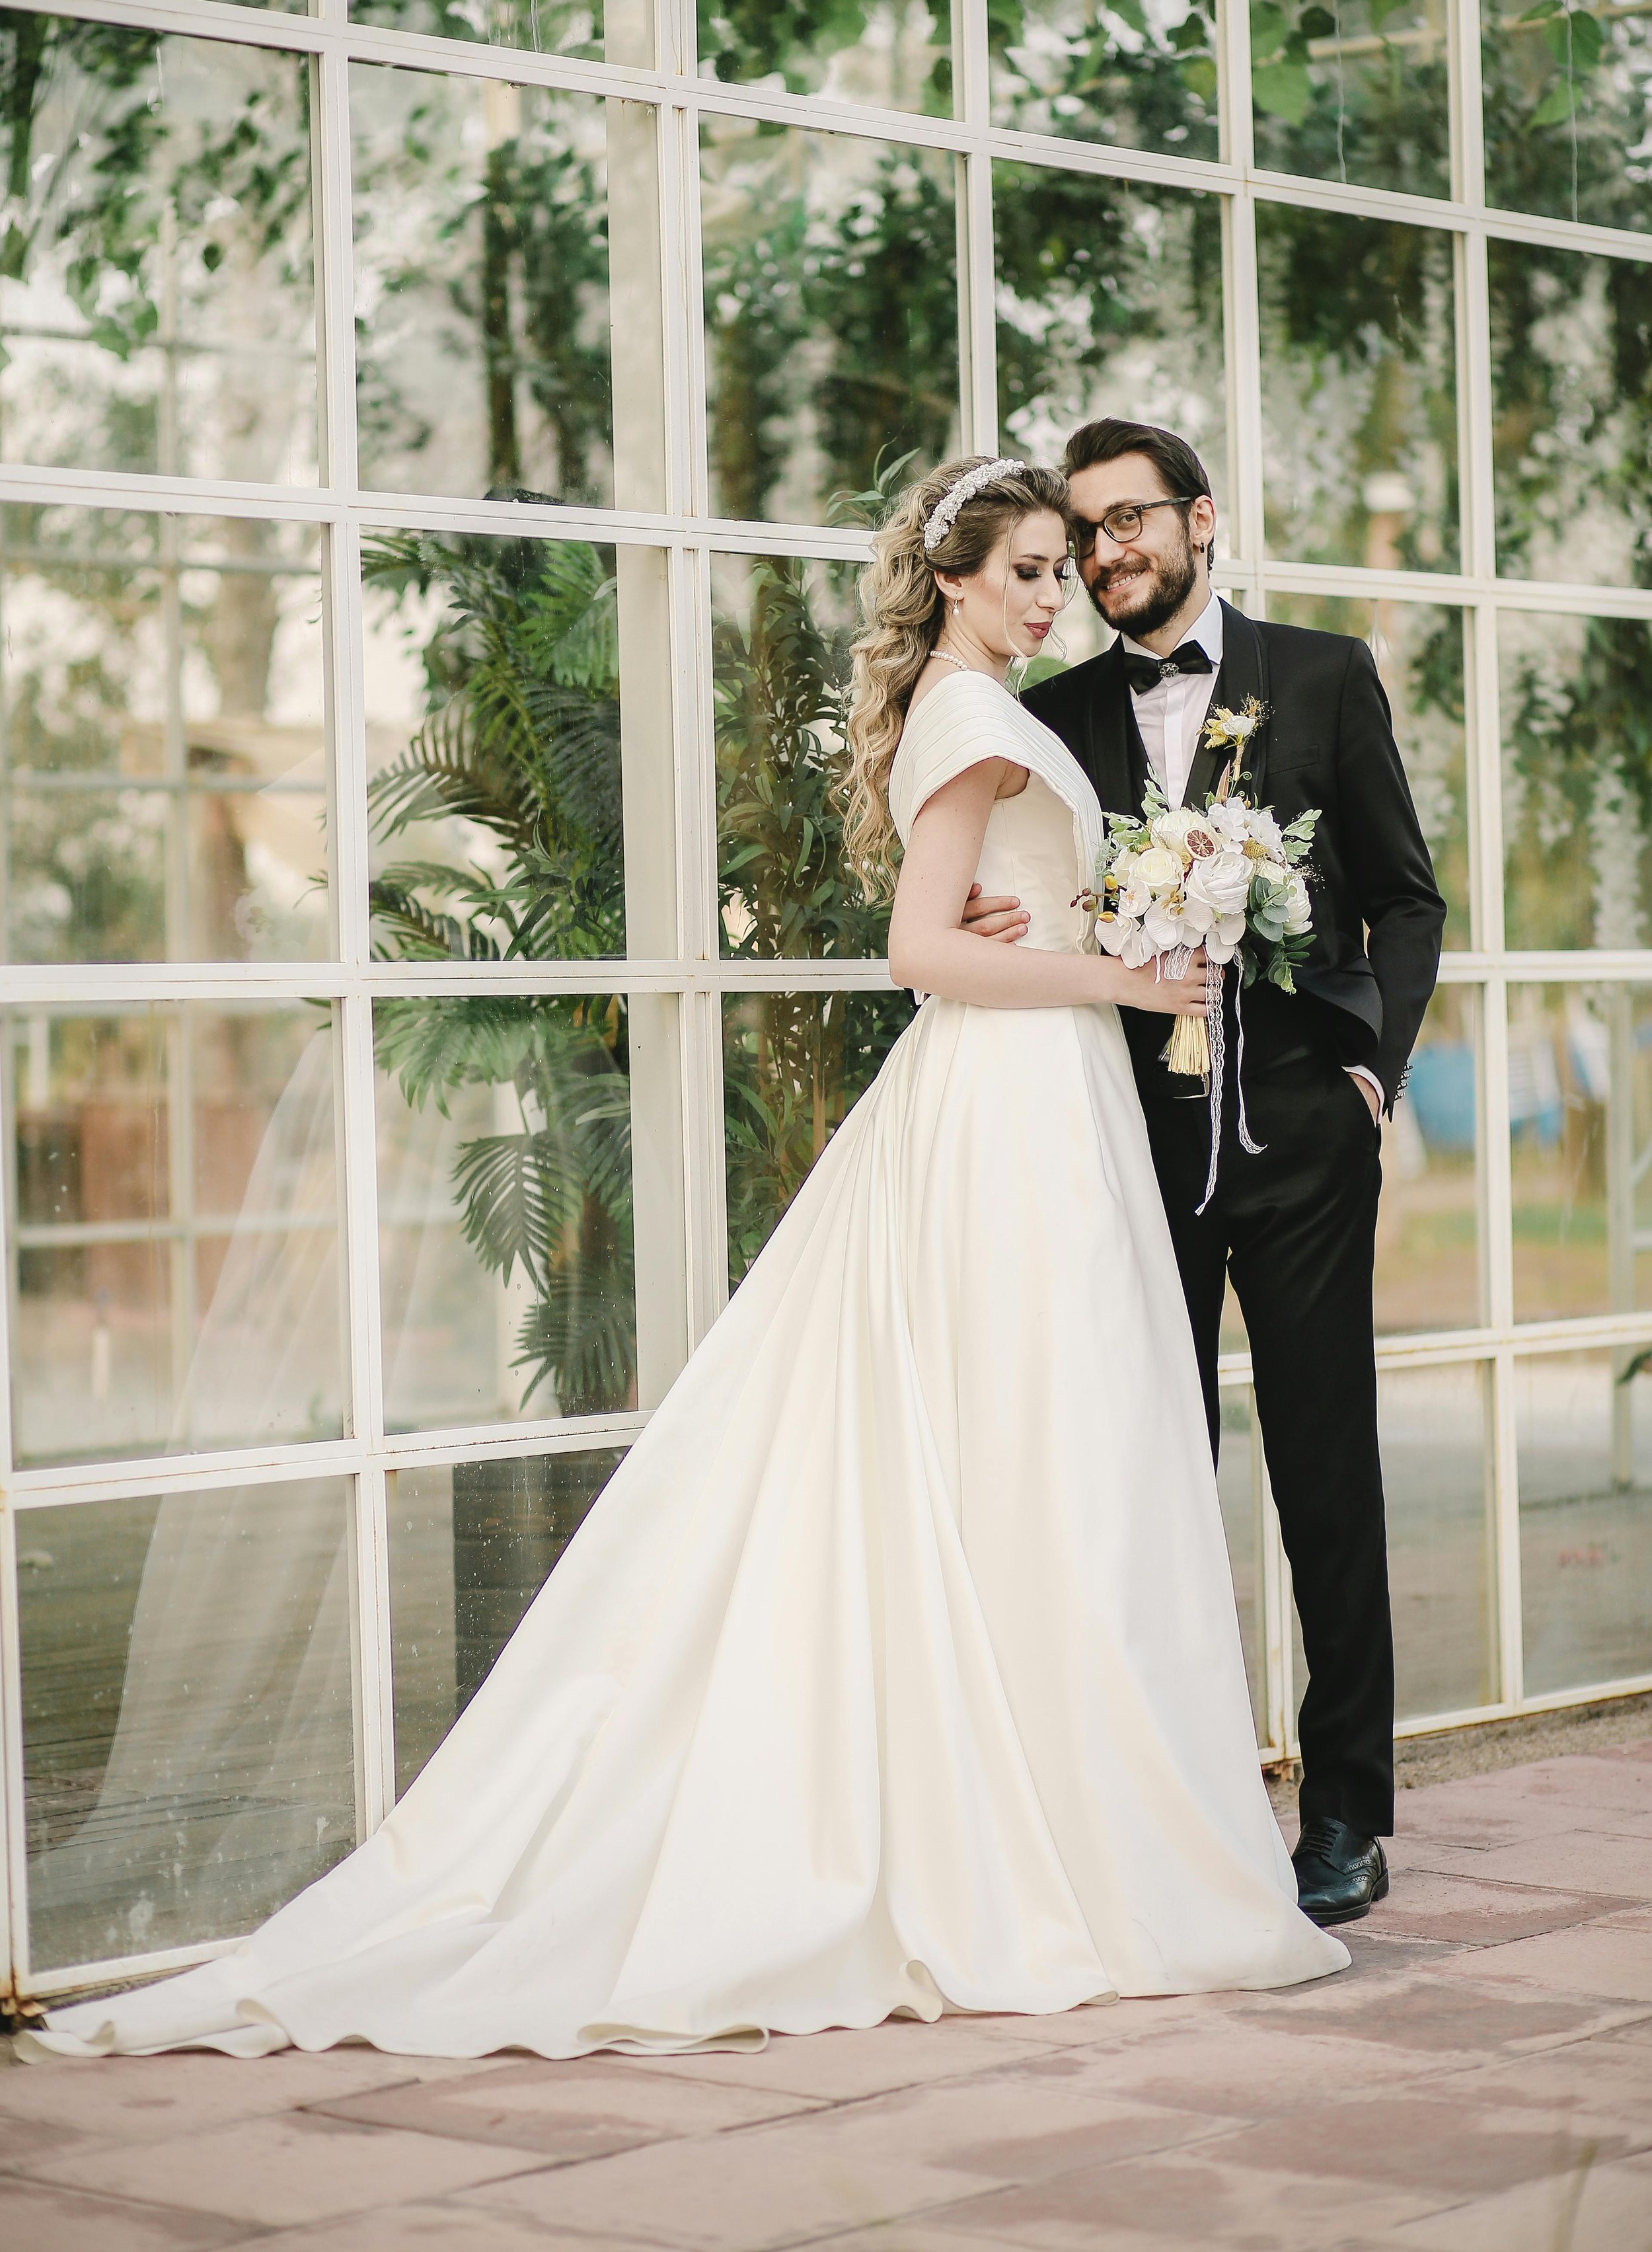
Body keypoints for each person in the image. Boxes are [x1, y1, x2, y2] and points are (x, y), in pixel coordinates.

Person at [20, 456, 1345, 2068]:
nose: (1050, 593)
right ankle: (1028, 1835)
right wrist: (1130, 980)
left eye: (1062, 569)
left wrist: (1103, 945)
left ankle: (1049, 1799)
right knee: (1033, 1449)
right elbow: (920, 953)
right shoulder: (971, 715)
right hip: (1008, 1114)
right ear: (952, 579)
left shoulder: (982, 710)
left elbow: (977, 922)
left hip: (1038, 1097)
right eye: (1023, 570)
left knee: (1051, 1455)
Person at [968, 419, 1446, 1927]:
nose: (1106, 555)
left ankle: (1347, 1812)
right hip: (1127, 1150)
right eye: (1084, 535)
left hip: (1303, 1143)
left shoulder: (1317, 676)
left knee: (1323, 1477)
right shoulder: (1052, 717)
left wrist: (1373, 1068)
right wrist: (1004, 934)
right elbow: (1028, 897)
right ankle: (1166, 1799)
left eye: (1127, 524)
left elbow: (1401, 897)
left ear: (1196, 520)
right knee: (1147, 1478)